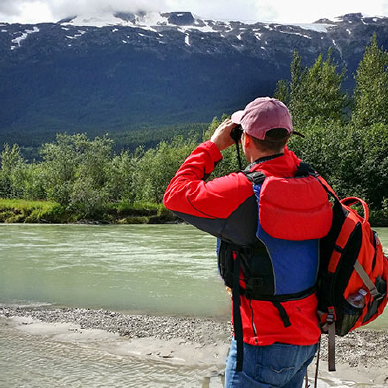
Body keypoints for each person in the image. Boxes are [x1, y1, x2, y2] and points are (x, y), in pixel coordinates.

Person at [163, 97, 330, 387]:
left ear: (245, 140)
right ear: (287, 138)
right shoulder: (314, 182)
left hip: (261, 342)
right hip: (307, 337)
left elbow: (175, 195)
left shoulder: (243, 189)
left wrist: (213, 146)